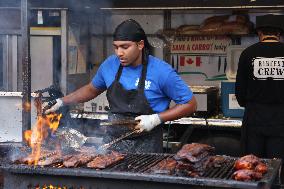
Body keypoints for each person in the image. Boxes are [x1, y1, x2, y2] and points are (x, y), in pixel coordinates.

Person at [43, 19, 197, 153]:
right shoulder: (110, 65)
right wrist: (62, 101)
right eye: (116, 47)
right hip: (112, 145)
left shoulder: (162, 71)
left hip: (147, 146)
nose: (119, 53)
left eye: (125, 47)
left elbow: (190, 104)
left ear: (140, 44)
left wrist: (156, 119)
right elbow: (91, 89)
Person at [235, 14, 284, 179]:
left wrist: (248, 103)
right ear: (279, 34)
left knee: (253, 166)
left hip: (255, 119)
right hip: (281, 121)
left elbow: (240, 91)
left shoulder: (248, 53)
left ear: (259, 33)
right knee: (278, 167)